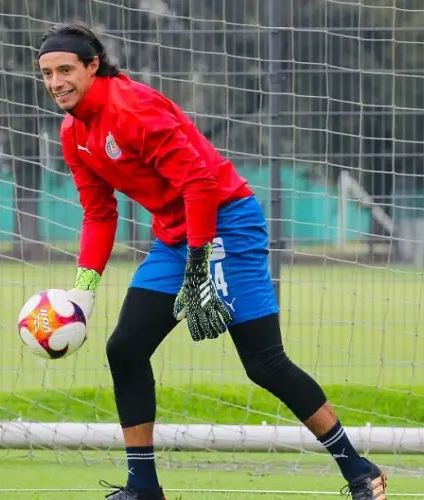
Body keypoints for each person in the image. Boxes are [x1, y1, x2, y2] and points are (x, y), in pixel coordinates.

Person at [36, 21, 388, 500]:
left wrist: (200, 262)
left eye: (65, 70)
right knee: (125, 349)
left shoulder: (134, 108)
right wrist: (84, 289)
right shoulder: (73, 133)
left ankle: (360, 470)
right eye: (47, 73)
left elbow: (200, 183)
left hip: (226, 223)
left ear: (93, 66)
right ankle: (143, 487)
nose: (56, 83)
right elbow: (99, 213)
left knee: (264, 362)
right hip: (175, 236)